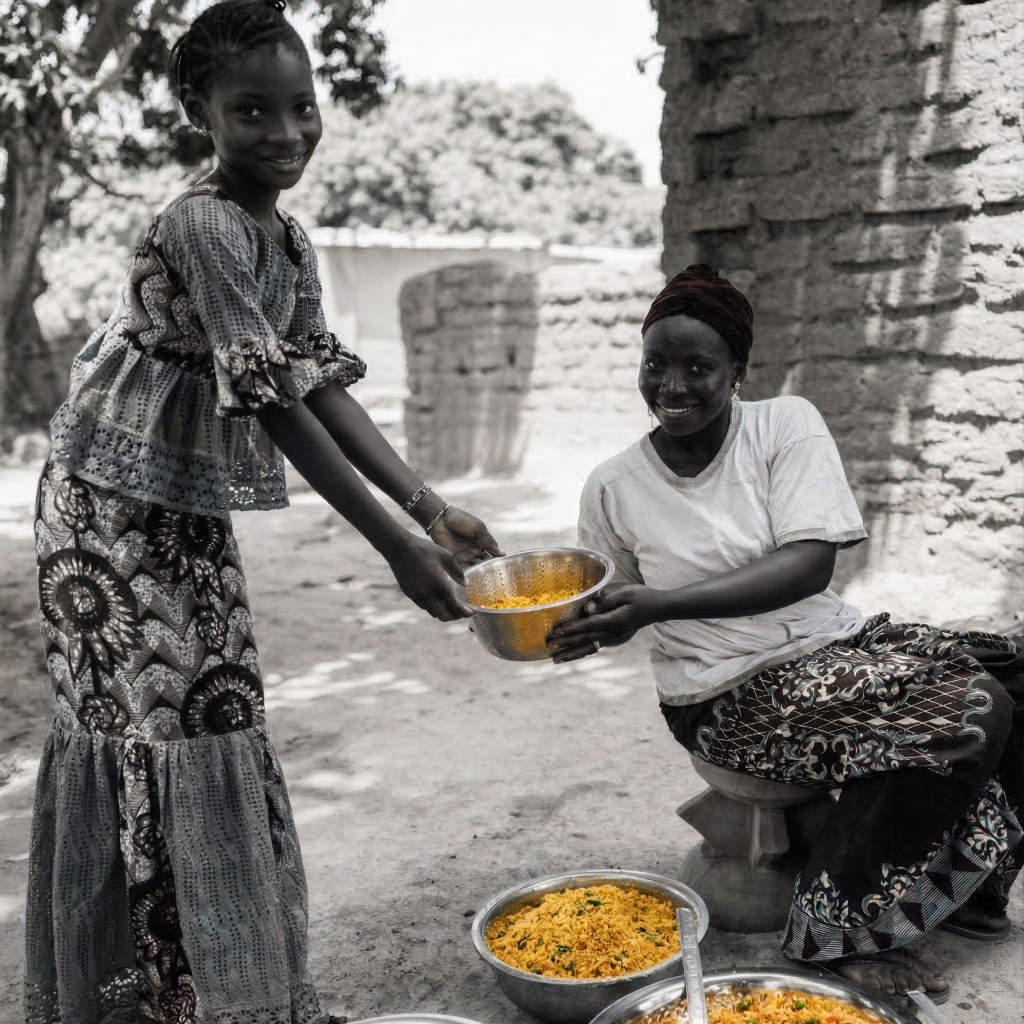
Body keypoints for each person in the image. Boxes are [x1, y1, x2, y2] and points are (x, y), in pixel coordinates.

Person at [24, 3, 502, 1021]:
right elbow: (272, 403)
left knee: (217, 713)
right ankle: (160, 995)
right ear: (199, 110)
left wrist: (431, 505)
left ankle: (223, 988)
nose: (284, 134)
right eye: (251, 111)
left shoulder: (280, 233)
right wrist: (396, 548)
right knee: (164, 726)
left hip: (177, 505)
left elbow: (318, 381)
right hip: (105, 513)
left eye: (301, 108)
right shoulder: (201, 223)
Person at [547, 263, 1022, 1004]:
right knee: (964, 710)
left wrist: (655, 606)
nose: (671, 387)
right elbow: (614, 604)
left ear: (738, 369)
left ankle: (969, 890)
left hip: (832, 644)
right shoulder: (614, 484)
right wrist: (580, 628)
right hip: (725, 697)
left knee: (1013, 672)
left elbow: (807, 566)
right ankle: (833, 933)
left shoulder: (784, 425)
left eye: (697, 367)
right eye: (655, 365)